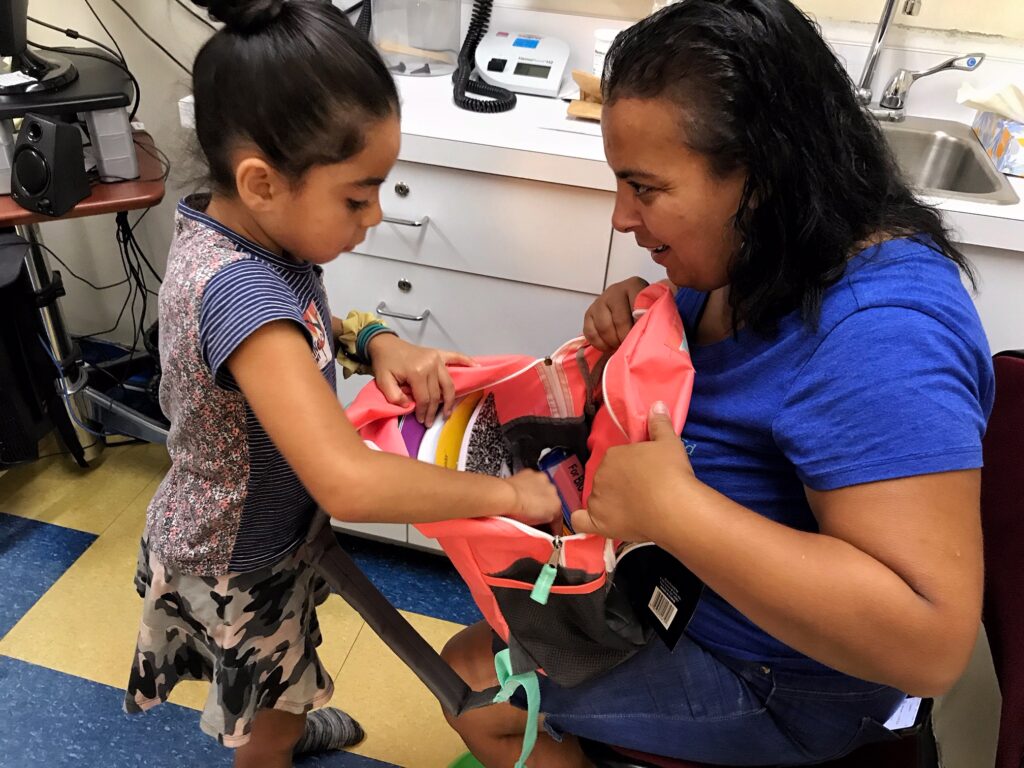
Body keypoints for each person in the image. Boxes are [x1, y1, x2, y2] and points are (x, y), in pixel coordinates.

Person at [441, 0, 994, 765]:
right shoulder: (757, 254)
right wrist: (642, 319)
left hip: (788, 682)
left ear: (761, 179)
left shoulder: (882, 333)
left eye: (645, 188)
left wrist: (678, 512)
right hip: (684, 603)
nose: (621, 217)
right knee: (490, 633)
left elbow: (927, 645)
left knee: (475, 686)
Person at [121, 3, 560, 767]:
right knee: (270, 712)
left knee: (288, 672)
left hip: (271, 532)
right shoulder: (240, 294)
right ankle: (278, 740)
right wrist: (511, 498)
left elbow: (309, 322)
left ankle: (287, 714)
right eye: (357, 197)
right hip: (238, 560)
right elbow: (350, 484)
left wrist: (374, 342)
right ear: (261, 182)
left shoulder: (243, 235)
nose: (375, 216)